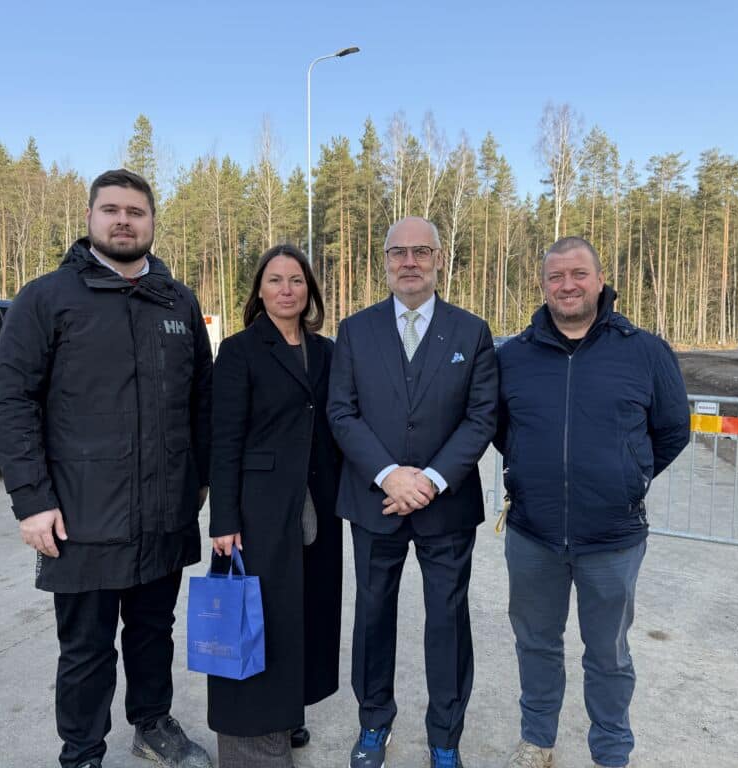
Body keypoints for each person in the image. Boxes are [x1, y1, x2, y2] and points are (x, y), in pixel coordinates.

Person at [0, 169, 213, 768]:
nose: (123, 221)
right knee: (86, 645)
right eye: (111, 210)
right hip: (81, 514)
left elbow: (203, 399)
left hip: (163, 509)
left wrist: (199, 478)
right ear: (89, 217)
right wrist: (32, 500)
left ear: (152, 222)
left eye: (135, 212)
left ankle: (152, 724)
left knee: (153, 629)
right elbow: (13, 402)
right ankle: (83, 750)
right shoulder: (46, 299)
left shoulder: (177, 301)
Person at [495, 236, 690, 768]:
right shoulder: (512, 357)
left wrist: (630, 477)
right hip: (533, 535)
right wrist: (531, 471)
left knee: (608, 654)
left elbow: (673, 430)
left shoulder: (645, 352)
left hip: (612, 539)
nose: (568, 285)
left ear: (601, 280)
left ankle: (611, 750)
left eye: (578, 274)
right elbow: (501, 430)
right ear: (543, 285)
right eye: (555, 276)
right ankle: (537, 741)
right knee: (536, 644)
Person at [328, 216, 497, 768]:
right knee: (373, 615)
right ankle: (374, 723)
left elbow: (481, 416)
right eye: (397, 252)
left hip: (445, 506)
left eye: (421, 251)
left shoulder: (471, 331)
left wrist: (428, 480)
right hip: (374, 502)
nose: (409, 261)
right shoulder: (355, 330)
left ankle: (445, 737)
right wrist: (388, 474)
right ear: (383, 261)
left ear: (440, 259)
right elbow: (341, 412)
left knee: (447, 622)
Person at [207, 243, 343, 768]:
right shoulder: (239, 350)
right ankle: (253, 743)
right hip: (257, 509)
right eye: (275, 280)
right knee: (256, 616)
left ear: (310, 290)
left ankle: (286, 714)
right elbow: (224, 439)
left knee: (301, 614)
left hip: (316, 506)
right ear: (259, 291)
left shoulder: (325, 350)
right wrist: (223, 519)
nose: (287, 290)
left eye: (297, 280)